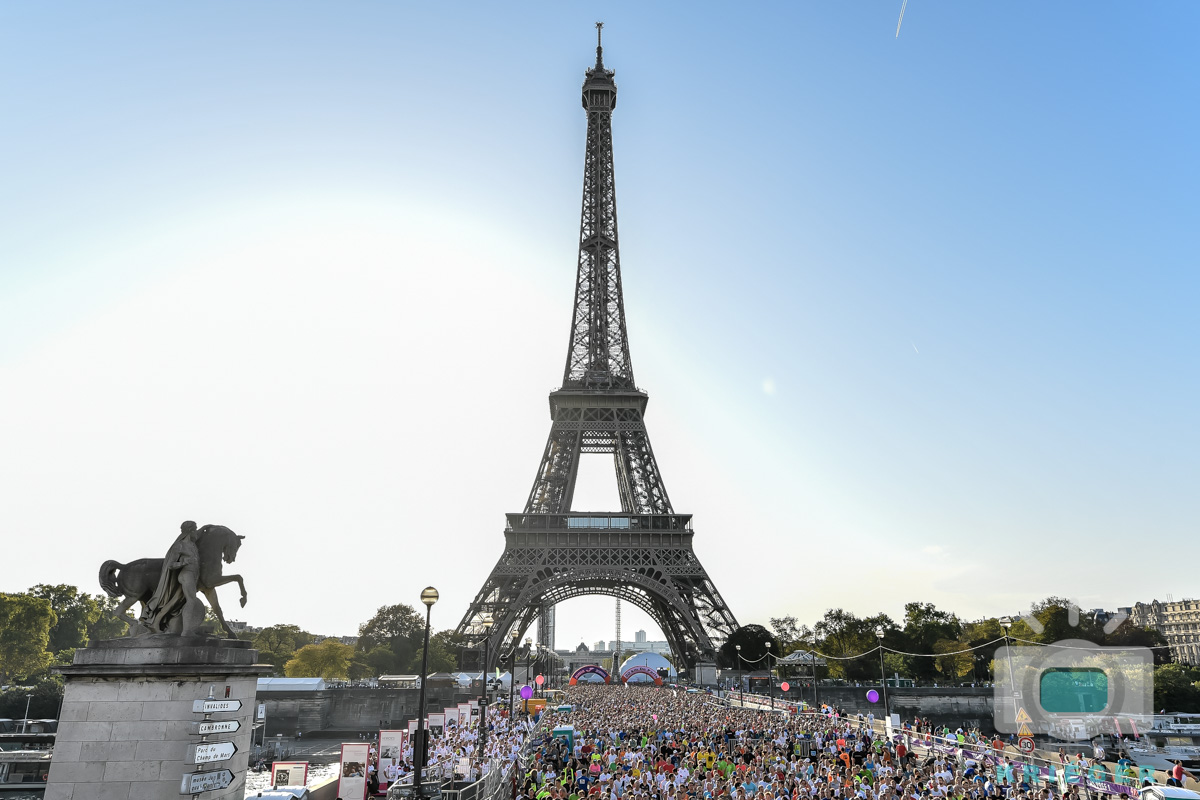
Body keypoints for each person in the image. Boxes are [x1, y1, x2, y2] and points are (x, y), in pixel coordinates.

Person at [142, 520, 203, 634]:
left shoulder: (193, 545)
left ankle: (155, 622)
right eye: (195, 530)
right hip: (186, 575)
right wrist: (183, 562)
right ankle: (186, 631)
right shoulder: (179, 545)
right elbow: (170, 565)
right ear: (190, 531)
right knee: (191, 600)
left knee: (173, 602)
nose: (196, 533)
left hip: (193, 576)